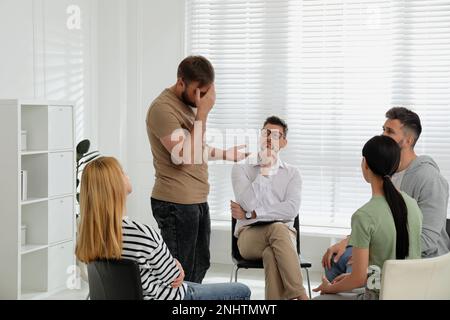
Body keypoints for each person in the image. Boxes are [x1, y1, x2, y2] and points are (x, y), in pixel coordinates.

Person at [75, 157, 251, 301]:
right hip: (171, 298)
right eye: (122, 172)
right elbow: (174, 277)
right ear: (114, 187)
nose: (127, 174)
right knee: (241, 290)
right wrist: (175, 267)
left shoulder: (88, 236)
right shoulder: (141, 234)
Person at [146, 56, 249, 283]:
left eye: (206, 93)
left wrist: (224, 153)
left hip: (196, 201)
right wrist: (203, 114)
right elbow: (183, 156)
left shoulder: (189, 104)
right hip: (175, 203)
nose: (201, 99)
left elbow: (195, 146)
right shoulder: (162, 109)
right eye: (197, 92)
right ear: (181, 82)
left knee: (200, 265)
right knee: (178, 273)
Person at [322, 107, 450, 281]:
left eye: (389, 131)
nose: (383, 135)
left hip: (421, 261)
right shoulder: (388, 171)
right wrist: (348, 241)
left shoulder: (429, 179)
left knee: (347, 265)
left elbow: (426, 240)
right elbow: (380, 223)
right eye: (383, 129)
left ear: (408, 140)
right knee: (335, 259)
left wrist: (371, 254)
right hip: (391, 251)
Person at [313, 135, 422, 300]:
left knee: (322, 298)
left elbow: (358, 278)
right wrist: (349, 280)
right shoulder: (413, 205)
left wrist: (330, 288)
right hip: (412, 294)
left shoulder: (363, 216)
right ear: (396, 165)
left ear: (365, 164)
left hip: (378, 295)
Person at [231, 116, 309, 300]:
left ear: (283, 142)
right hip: (248, 237)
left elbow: (291, 210)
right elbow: (247, 203)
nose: (269, 138)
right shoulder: (241, 168)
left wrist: (253, 213)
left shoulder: (292, 173)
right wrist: (264, 172)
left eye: (276, 135)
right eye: (266, 133)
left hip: (283, 237)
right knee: (277, 227)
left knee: (271, 253)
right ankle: (300, 295)